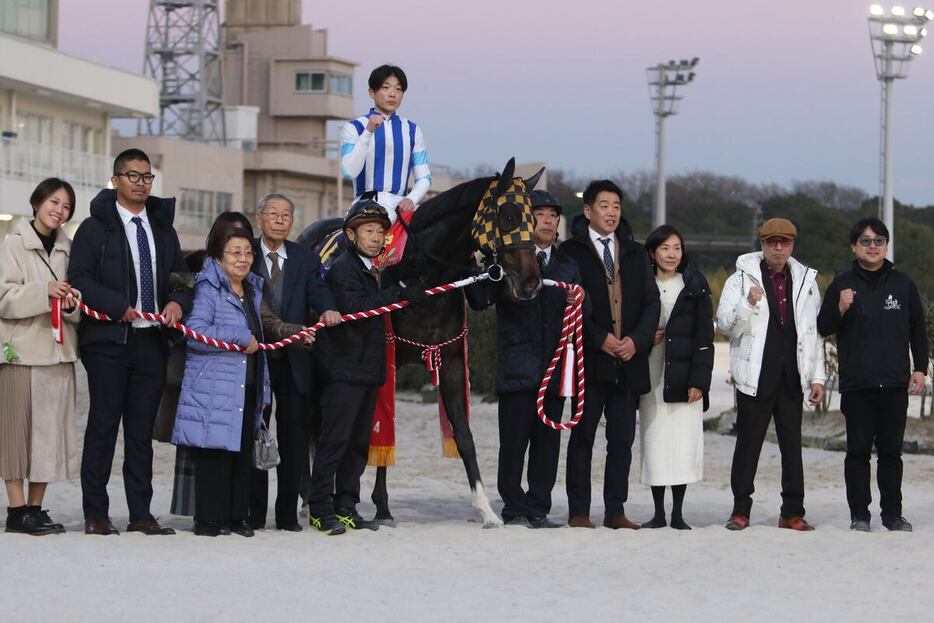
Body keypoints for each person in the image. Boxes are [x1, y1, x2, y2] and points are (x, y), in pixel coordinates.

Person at [68, 148, 193, 536]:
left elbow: (183, 279)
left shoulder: (162, 227)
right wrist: (117, 306)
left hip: (151, 343)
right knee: (103, 428)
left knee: (140, 434)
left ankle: (141, 513)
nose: (141, 183)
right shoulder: (94, 227)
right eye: (133, 176)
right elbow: (80, 279)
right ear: (116, 179)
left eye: (147, 177)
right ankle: (96, 514)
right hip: (108, 341)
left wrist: (176, 302)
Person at [308, 196, 427, 534]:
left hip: (367, 370)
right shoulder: (343, 269)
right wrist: (399, 294)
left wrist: (407, 294)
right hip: (342, 370)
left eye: (380, 232)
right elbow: (356, 307)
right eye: (369, 231)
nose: (377, 237)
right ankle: (319, 509)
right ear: (351, 235)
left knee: (358, 444)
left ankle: (347, 506)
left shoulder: (378, 272)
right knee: (334, 442)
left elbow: (385, 304)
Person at [467, 190, 582, 529]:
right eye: (540, 214)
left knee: (547, 444)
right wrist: (476, 265)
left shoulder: (568, 266)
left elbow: (582, 313)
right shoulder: (505, 262)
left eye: (552, 215)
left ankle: (539, 507)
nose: (547, 220)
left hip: (556, 366)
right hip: (517, 364)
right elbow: (479, 299)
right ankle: (513, 505)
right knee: (514, 442)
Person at [559, 180, 660, 529]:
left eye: (616, 205)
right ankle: (579, 511)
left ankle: (615, 510)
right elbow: (566, 303)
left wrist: (637, 340)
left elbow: (651, 303)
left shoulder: (635, 252)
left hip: (629, 361)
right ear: (588, 211)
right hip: (591, 360)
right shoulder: (570, 252)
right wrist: (599, 337)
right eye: (604, 205)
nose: (612, 212)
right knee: (583, 436)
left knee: (622, 440)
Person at [817, 218, 927, 532]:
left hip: (894, 383)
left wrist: (919, 368)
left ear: (886, 245)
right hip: (857, 383)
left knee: (892, 452)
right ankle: (860, 515)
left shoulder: (902, 284)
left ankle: (892, 514)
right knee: (858, 452)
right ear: (854, 246)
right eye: (865, 241)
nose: (873, 246)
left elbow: (918, 330)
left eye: (879, 240)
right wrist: (839, 307)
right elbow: (823, 327)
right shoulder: (842, 283)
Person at [716, 218, 826, 531]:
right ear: (762, 244)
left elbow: (813, 333)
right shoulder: (739, 279)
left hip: (792, 375)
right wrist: (747, 304)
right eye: (771, 242)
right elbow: (724, 325)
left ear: (792, 245)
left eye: (784, 242)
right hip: (755, 375)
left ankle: (792, 512)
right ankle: (740, 511)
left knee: (792, 447)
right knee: (747, 444)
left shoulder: (806, 280)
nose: (778, 248)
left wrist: (817, 377)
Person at [249, 193, 341, 531]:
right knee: (255, 434)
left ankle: (287, 514)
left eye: (286, 215)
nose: (279, 219)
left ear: (292, 221)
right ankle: (254, 513)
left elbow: (318, 290)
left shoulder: (304, 258)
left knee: (293, 437)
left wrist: (328, 307)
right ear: (259, 218)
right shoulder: (245, 254)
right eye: (272, 213)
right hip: (254, 358)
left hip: (294, 359)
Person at [0, 178, 80, 535]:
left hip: (59, 354)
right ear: (36, 202)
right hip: (20, 354)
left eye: (65, 206)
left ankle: (36, 508)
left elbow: (77, 305)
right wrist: (43, 291)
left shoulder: (70, 249)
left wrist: (71, 305)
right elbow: (3, 297)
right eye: (53, 202)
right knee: (16, 435)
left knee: (49, 435)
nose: (58, 210)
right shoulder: (13, 244)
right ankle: (16, 511)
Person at [638, 225, 713, 531]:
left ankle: (678, 513)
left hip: (685, 375)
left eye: (677, 248)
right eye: (665, 248)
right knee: (655, 442)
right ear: (653, 252)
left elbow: (705, 336)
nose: (671, 254)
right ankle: (658, 512)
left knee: (682, 443)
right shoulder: (642, 284)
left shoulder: (694, 284)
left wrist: (700, 381)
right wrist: (645, 337)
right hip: (652, 372)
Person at [340, 64, 431, 224]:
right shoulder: (355, 127)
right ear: (372, 92)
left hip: (404, 206)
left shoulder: (412, 129)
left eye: (398, 89)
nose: (392, 94)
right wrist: (368, 132)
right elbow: (349, 171)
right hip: (367, 206)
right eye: (386, 87)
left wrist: (412, 198)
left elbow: (424, 177)